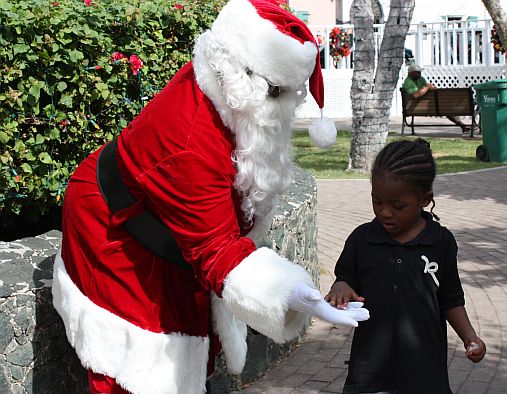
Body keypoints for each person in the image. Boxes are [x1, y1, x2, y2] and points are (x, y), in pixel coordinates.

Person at [51, 0, 369, 393]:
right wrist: (294, 295)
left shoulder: (225, 85)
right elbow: (216, 251)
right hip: (114, 232)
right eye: (276, 93)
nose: (284, 108)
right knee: (134, 360)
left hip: (163, 227)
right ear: (243, 76)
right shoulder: (190, 142)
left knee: (189, 335)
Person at [325, 139, 486, 393]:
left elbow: (450, 298)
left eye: (397, 206)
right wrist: (341, 287)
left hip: (423, 369)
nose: (385, 212)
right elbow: (346, 277)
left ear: (425, 199)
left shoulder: (441, 242)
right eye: (377, 201)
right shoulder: (362, 239)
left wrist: (469, 337)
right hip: (370, 369)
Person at [403, 64, 471, 133]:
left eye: (420, 72)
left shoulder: (421, 79)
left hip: (426, 107)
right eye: (418, 72)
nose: (420, 73)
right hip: (423, 108)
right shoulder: (408, 82)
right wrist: (427, 87)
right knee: (446, 108)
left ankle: (462, 126)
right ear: (411, 73)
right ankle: (462, 125)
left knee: (445, 107)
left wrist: (430, 87)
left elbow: (428, 88)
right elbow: (416, 95)